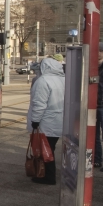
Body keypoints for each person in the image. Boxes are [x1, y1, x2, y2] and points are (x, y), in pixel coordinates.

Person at [27, 56, 65, 185]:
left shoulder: (43, 81)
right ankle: (47, 174)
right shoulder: (64, 79)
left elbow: (39, 104)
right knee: (50, 148)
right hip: (59, 120)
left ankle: (47, 176)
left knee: (45, 150)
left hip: (46, 122)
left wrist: (35, 121)